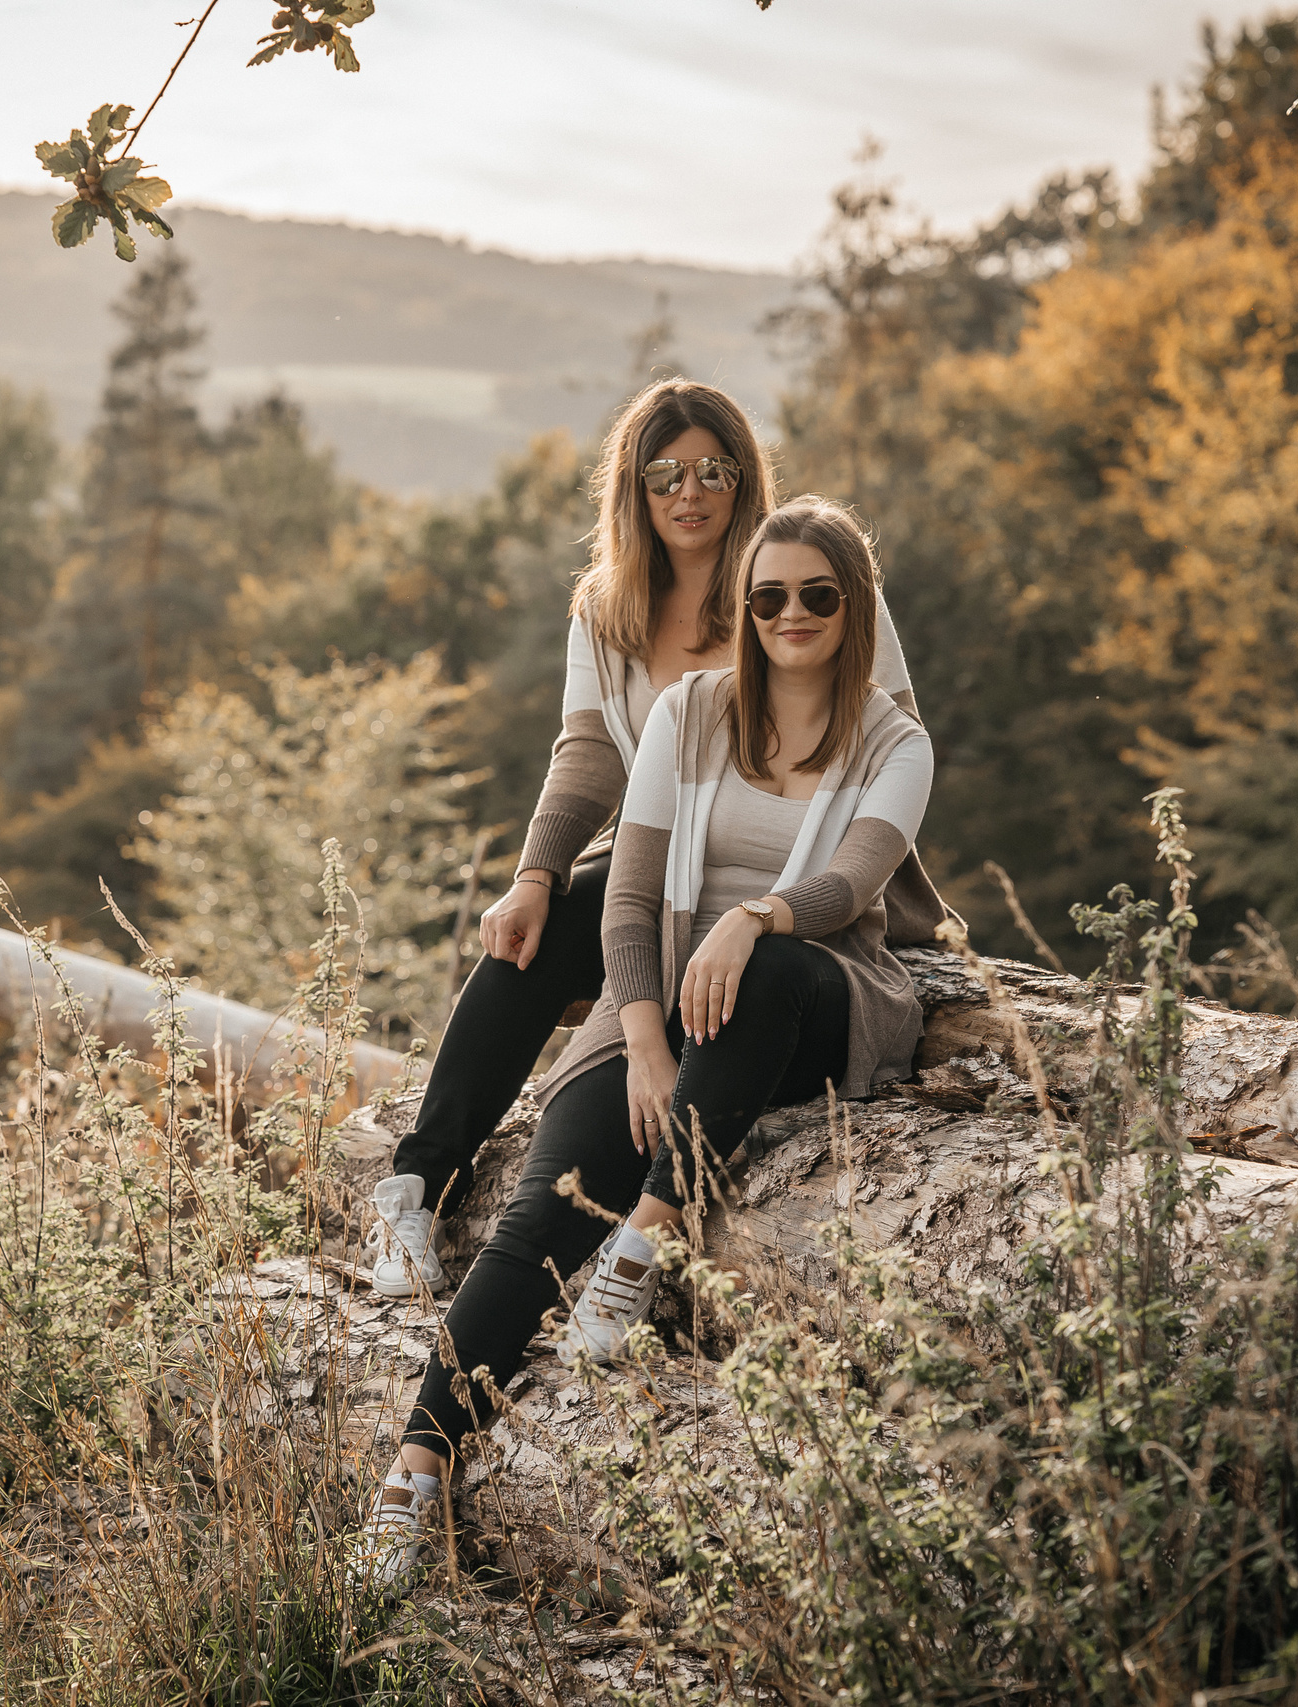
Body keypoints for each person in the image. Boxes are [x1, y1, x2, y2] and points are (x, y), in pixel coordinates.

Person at [351, 498, 938, 1595]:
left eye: (818, 595)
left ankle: (649, 1236)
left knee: (763, 967)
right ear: (747, 610)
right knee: (539, 1211)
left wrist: (752, 916)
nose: (791, 614)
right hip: (668, 1010)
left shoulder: (892, 741)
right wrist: (642, 1044)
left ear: (855, 607)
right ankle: (415, 1465)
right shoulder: (688, 712)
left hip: (813, 996)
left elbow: (851, 881)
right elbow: (624, 899)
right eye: (768, 597)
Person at [363, 380, 946, 1299]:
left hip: (789, 890)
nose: (690, 491)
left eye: (715, 469)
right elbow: (589, 754)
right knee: (541, 925)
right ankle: (414, 1185)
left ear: (744, 480)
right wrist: (532, 872)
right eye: (665, 472)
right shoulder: (605, 610)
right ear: (632, 489)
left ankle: (631, 1234)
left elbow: (888, 739)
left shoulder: (806, 587)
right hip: (661, 879)